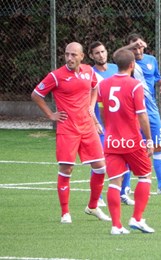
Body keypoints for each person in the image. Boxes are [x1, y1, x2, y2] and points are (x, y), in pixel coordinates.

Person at [31, 42, 111, 224]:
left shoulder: (89, 71)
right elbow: (36, 94)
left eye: (74, 55)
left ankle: (92, 207)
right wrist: (51, 114)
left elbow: (94, 87)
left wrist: (91, 107)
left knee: (101, 167)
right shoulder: (56, 76)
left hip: (87, 127)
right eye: (67, 54)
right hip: (67, 129)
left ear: (82, 56)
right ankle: (65, 212)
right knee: (67, 169)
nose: (69, 58)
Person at [98, 48, 155, 235]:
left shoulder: (104, 85)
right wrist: (148, 140)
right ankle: (137, 218)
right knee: (145, 176)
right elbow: (142, 116)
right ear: (132, 65)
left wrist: (109, 131)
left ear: (116, 65)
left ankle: (116, 225)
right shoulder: (135, 85)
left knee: (114, 182)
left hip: (111, 140)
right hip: (131, 141)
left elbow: (103, 111)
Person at [122, 33, 161, 195]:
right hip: (131, 112)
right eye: (134, 46)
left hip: (151, 111)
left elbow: (158, 77)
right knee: (130, 149)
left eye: (139, 46)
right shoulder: (125, 63)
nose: (137, 50)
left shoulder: (151, 60)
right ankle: (125, 187)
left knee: (158, 146)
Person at [88, 41, 135, 206]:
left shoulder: (117, 69)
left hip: (122, 124)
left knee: (127, 157)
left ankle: (123, 192)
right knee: (100, 160)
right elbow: (89, 102)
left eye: (103, 51)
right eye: (97, 53)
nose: (101, 55)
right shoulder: (90, 74)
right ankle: (98, 196)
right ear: (91, 56)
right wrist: (94, 121)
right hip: (101, 125)